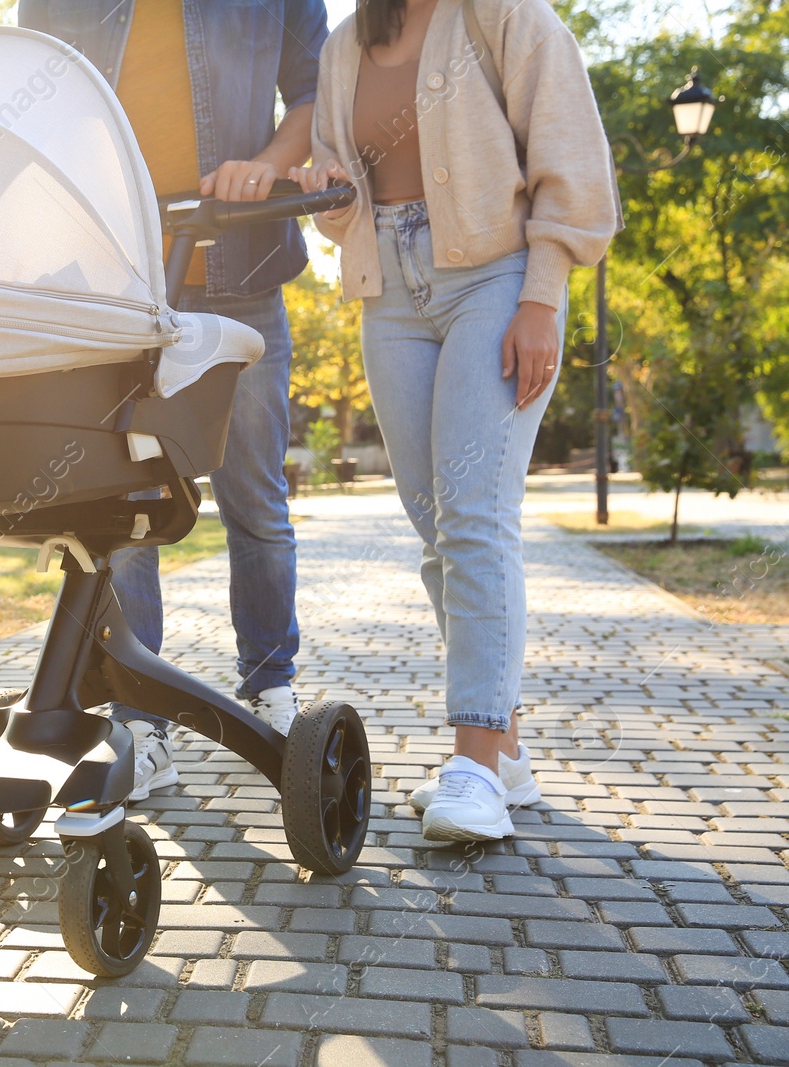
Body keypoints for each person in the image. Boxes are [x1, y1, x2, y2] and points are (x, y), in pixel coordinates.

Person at [291, 0, 619, 840]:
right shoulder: (343, 47)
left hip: (496, 279)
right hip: (389, 296)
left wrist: (541, 299)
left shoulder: (505, 17)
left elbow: (572, 162)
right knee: (435, 522)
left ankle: (472, 762)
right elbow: (342, 203)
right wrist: (324, 198)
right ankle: (504, 749)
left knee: (475, 514)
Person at [17, 0, 330, 801]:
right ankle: (137, 717)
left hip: (239, 276)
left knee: (255, 499)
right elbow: (34, 111)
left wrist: (264, 160)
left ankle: (270, 683)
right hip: (107, 283)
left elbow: (315, 94)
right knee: (120, 508)